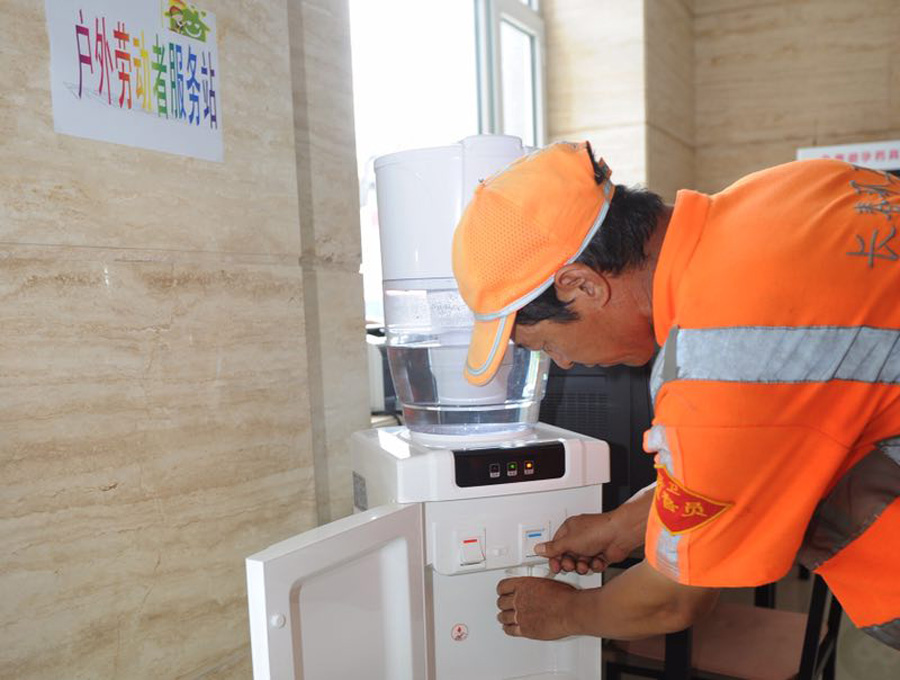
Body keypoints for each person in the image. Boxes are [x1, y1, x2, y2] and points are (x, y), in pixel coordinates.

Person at [451, 141, 900, 649]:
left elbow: (675, 598)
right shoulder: (793, 189)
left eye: (550, 344)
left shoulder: (718, 358)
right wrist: (623, 524)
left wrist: (568, 611)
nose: (567, 363)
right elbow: (752, 457)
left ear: (581, 285)